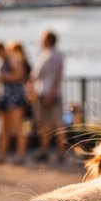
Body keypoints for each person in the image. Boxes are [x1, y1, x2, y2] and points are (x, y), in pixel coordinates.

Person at [30, 30, 66, 163]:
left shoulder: (46, 56)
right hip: (53, 93)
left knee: (45, 124)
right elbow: (58, 76)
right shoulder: (58, 55)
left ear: (47, 40)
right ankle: (60, 152)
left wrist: (49, 93)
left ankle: (46, 150)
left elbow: (36, 75)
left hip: (45, 93)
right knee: (56, 123)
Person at [0, 40, 28, 163]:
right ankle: (1, 154)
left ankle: (21, 154)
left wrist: (5, 77)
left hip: (14, 97)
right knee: (4, 128)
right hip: (5, 97)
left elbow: (20, 74)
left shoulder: (11, 58)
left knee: (17, 127)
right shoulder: (3, 60)